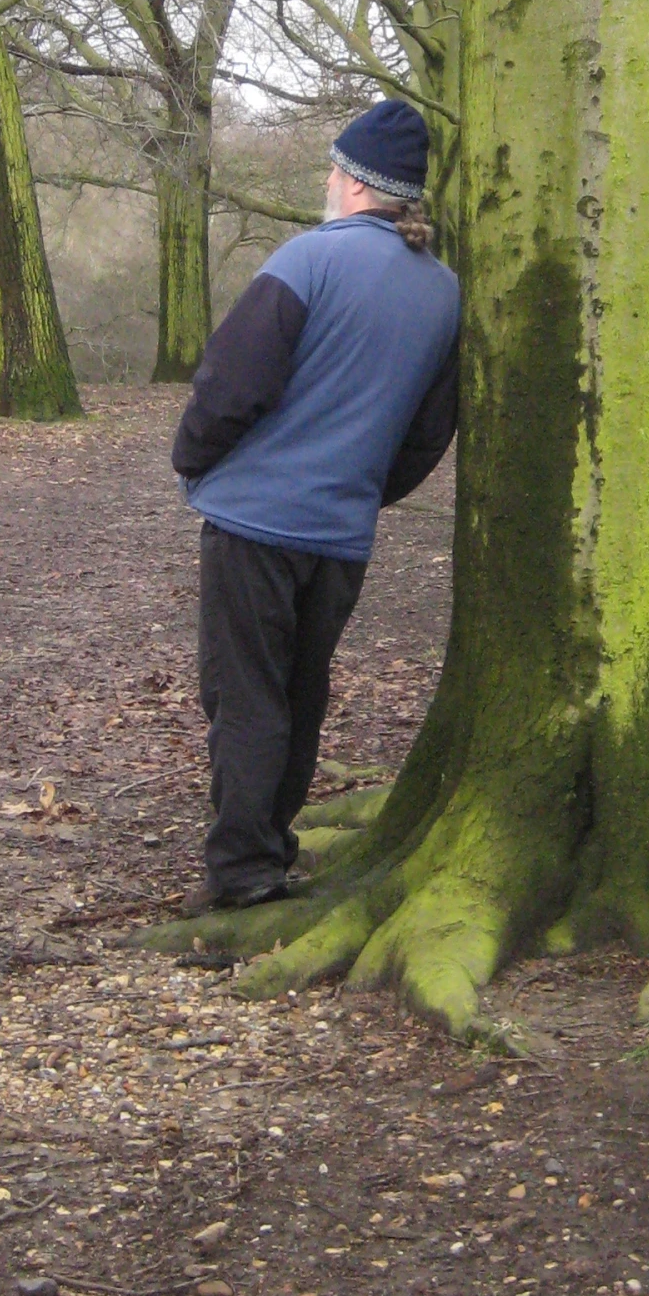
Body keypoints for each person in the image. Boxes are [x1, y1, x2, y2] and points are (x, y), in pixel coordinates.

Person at [171, 99, 461, 912]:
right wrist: (365, 487)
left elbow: (230, 385)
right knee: (300, 688)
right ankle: (271, 843)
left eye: (334, 169)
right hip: (341, 533)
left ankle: (241, 867)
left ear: (358, 185)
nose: (326, 182)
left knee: (244, 693)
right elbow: (428, 429)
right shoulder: (444, 294)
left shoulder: (307, 262)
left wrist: (193, 460)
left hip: (254, 522)